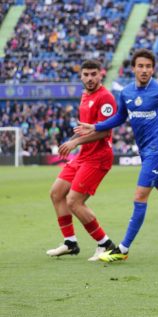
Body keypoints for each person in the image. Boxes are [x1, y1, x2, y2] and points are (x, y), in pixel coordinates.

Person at [75, 49, 158, 262]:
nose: (144, 70)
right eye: (140, 66)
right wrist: (95, 126)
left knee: (139, 196)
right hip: (146, 153)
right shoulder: (127, 93)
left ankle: (123, 249)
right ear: (133, 68)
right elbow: (119, 118)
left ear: (153, 69)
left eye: (148, 66)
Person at [47, 60, 118, 261]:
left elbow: (104, 132)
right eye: (86, 74)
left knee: (74, 201)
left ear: (100, 74)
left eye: (93, 74)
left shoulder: (106, 98)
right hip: (84, 155)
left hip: (98, 157)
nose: (89, 78)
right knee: (56, 193)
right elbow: (84, 128)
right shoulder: (85, 96)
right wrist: (72, 141)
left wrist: (75, 142)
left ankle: (105, 244)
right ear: (81, 76)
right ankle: (70, 242)